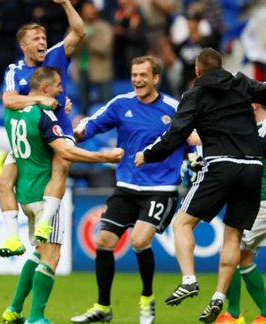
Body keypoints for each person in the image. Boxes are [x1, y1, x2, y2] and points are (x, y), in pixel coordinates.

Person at [134, 48, 266, 323]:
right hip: (253, 168)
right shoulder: (240, 83)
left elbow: (175, 134)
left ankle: (189, 279)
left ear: (198, 71)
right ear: (222, 67)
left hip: (221, 165)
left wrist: (148, 155)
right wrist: (255, 88)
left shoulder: (194, 95)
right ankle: (218, 297)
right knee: (233, 236)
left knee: (182, 224)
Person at [1, 66, 124, 324]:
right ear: (44, 88)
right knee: (51, 257)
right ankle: (37, 318)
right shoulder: (43, 115)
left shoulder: (11, 115)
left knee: (38, 252)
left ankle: (14, 309)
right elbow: (65, 152)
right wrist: (105, 157)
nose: (61, 89)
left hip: (25, 194)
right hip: (46, 197)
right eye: (57, 85)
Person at [70, 56, 184, 324]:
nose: (137, 80)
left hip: (161, 187)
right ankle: (103, 307)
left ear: (156, 78)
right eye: (134, 75)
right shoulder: (121, 104)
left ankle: (147, 301)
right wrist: (73, 134)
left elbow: (193, 138)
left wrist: (195, 157)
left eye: (143, 75)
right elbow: (92, 124)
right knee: (104, 242)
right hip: (126, 186)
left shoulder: (173, 108)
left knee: (139, 241)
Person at [0, 0, 85, 258]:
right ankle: (13, 238)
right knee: (3, 182)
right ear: (24, 46)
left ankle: (46, 221)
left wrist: (66, 4)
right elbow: (9, 100)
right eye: (36, 38)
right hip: (30, 140)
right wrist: (41, 99)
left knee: (62, 165)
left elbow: (79, 33)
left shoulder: (56, 55)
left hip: (58, 131)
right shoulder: (15, 71)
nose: (42, 41)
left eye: (43, 36)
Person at [215, 103, 266, 324]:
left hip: (262, 203)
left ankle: (234, 315)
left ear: (254, 105)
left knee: (230, 254)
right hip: (260, 202)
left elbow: (245, 150)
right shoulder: (264, 127)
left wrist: (207, 142)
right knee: (244, 259)